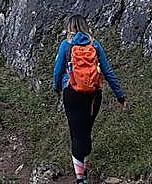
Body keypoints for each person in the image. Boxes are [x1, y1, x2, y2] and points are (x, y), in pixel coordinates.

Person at [51, 15, 126, 184]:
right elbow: (107, 72)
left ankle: (80, 178)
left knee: (77, 134)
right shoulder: (95, 45)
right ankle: (83, 172)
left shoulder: (66, 46)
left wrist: (56, 87)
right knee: (85, 132)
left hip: (72, 93)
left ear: (70, 28)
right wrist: (120, 95)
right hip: (93, 95)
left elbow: (57, 72)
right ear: (86, 27)